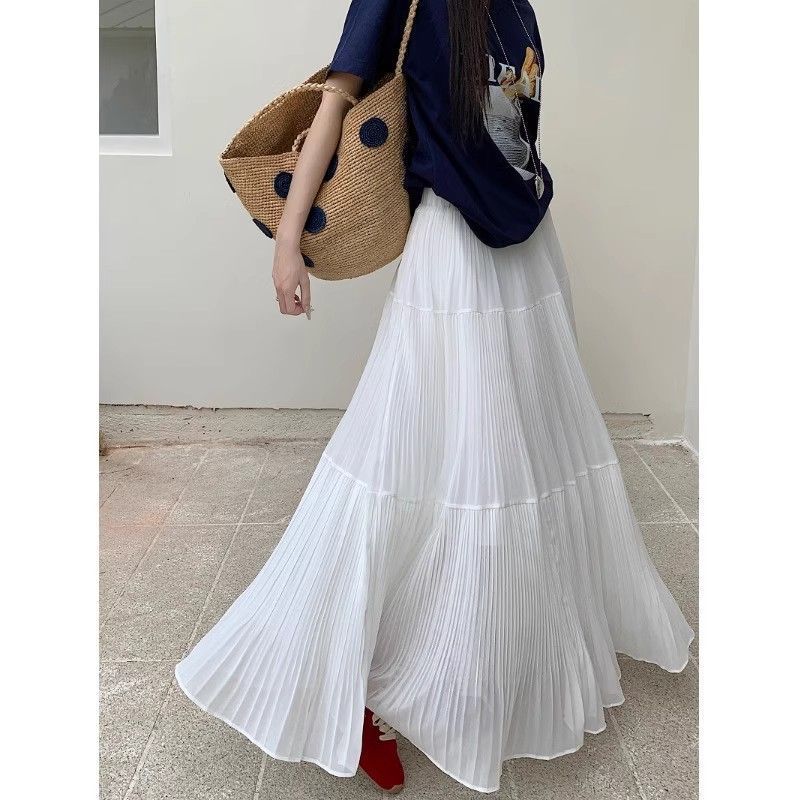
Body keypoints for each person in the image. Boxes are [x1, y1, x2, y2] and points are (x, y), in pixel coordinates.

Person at [175, 1, 693, 794]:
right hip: (454, 254)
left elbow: (514, 126)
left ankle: (479, 658)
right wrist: (286, 243)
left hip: (525, 249)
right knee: (411, 461)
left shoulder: (512, 4)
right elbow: (337, 100)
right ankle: (341, 681)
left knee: (510, 462)